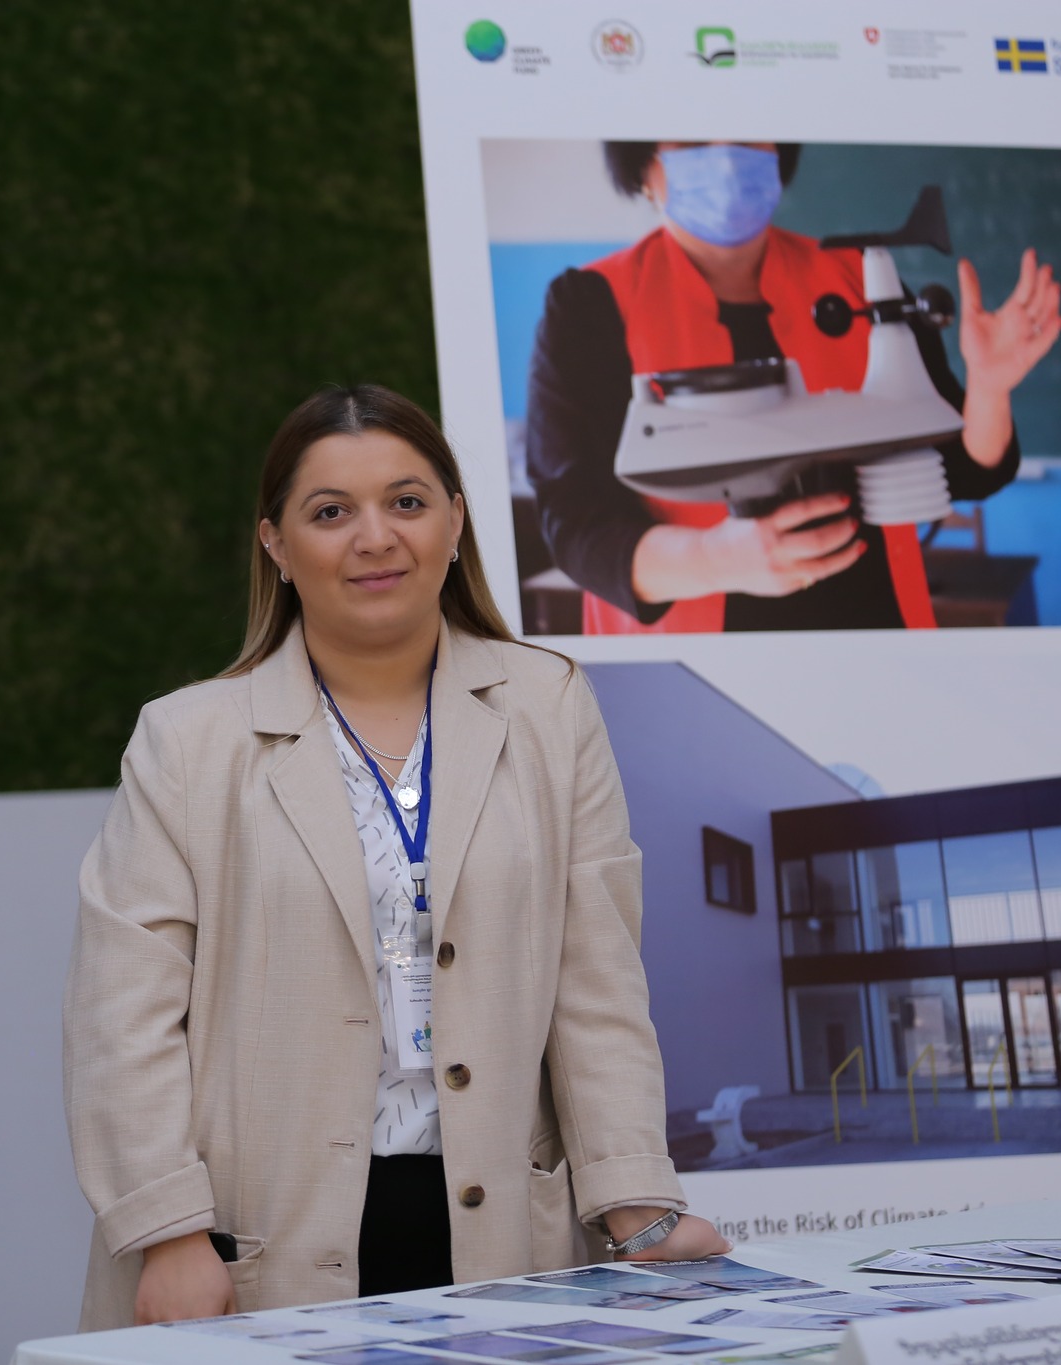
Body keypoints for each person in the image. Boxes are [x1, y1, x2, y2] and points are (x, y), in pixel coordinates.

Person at [64, 384, 725, 1330]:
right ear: (276, 544)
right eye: (331, 512)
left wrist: (636, 1202)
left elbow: (598, 982)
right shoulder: (187, 742)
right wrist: (169, 1234)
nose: (375, 537)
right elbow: (120, 1017)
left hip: (502, 1226)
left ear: (454, 521)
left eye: (406, 502)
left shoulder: (550, 706)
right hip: (252, 1240)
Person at [525, 140, 1061, 632]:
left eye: (745, 135)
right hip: (696, 659)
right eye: (692, 140)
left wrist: (988, 388)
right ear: (641, 166)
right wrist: (716, 559)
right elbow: (574, 526)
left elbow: (960, 469)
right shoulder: (588, 305)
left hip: (879, 636)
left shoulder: (858, 276)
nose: (726, 157)